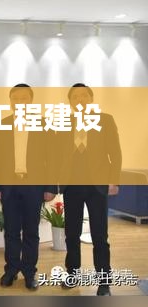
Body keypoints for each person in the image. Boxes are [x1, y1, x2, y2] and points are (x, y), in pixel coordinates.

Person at [57, 83, 122, 296]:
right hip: (72, 186)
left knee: (100, 236)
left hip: (97, 186)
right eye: (75, 96)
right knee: (71, 234)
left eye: (84, 95)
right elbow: (57, 155)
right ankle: (73, 274)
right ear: (70, 102)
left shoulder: (105, 120)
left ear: (91, 99)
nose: (80, 99)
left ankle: (104, 283)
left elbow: (115, 152)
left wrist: (114, 180)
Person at [0, 84, 56, 291]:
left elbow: (51, 158)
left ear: (31, 101)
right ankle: (11, 270)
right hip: (9, 187)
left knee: (31, 231)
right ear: (11, 102)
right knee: (11, 232)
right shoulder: (3, 124)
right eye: (16, 99)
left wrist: (50, 187)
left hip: (34, 187)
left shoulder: (44, 124)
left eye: (24, 99)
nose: (20, 102)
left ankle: (29, 272)